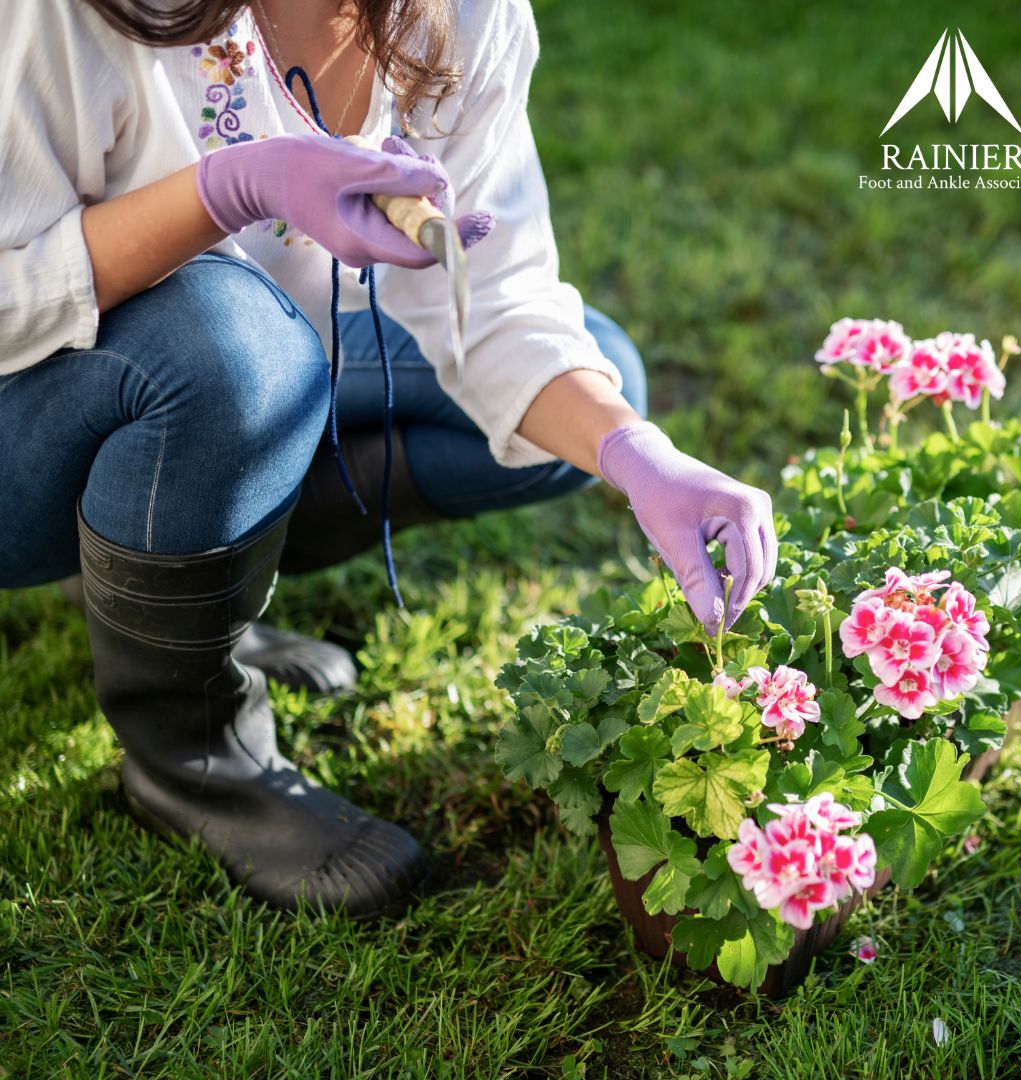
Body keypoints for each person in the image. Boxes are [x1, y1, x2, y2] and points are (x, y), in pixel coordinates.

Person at [0, 0, 777, 918]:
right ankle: (197, 762)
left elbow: (497, 303)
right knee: (241, 356)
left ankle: (180, 575)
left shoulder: (465, 15)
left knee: (594, 383)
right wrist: (224, 191)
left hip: (241, 364)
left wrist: (637, 454)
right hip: (30, 415)